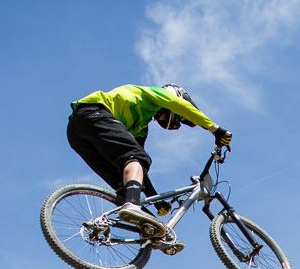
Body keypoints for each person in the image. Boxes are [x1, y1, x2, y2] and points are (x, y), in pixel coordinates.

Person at [66, 83, 230, 253]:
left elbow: (139, 169)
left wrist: (155, 199)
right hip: (94, 112)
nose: (178, 120)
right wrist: (216, 130)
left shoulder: (141, 127)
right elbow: (179, 105)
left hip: (76, 133)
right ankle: (132, 205)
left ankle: (152, 234)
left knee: (124, 183)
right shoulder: (154, 94)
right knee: (136, 158)